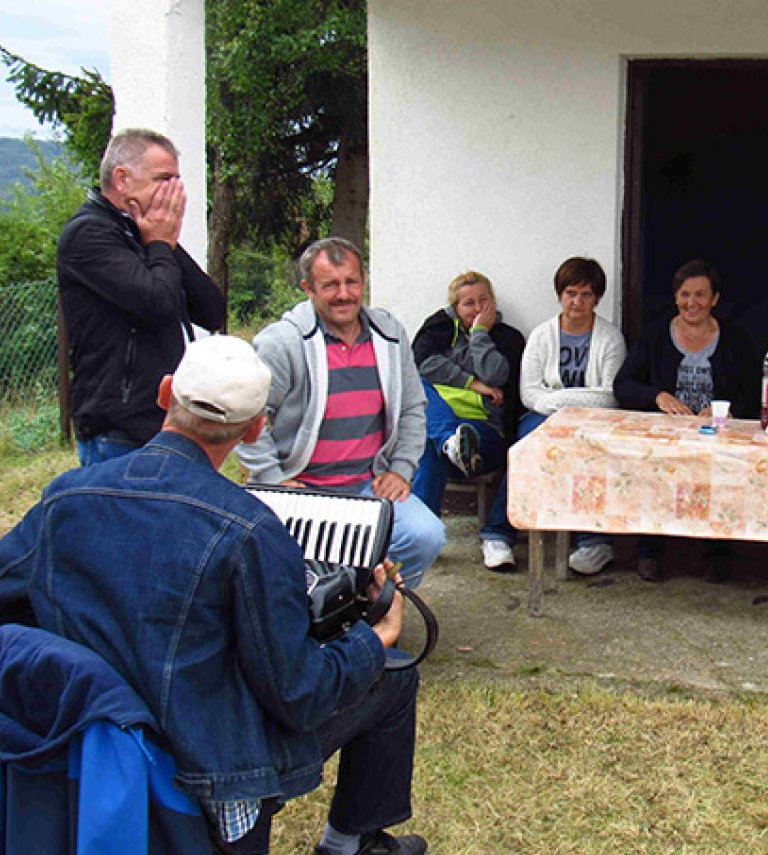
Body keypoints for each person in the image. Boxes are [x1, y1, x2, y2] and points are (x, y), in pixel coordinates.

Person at [0, 335, 427, 855]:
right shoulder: (252, 531)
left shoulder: (67, 496)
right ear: (256, 427)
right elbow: (300, 692)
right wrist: (374, 639)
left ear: (165, 393)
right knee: (392, 675)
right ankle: (350, 849)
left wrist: (88, 638)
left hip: (88, 737)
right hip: (204, 769)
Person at [237, 237, 445, 590]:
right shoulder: (282, 343)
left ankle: (370, 611)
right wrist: (272, 478)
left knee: (425, 536)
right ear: (308, 288)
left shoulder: (389, 334)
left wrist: (401, 469)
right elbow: (246, 415)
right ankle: (327, 617)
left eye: (351, 282)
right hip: (305, 489)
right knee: (297, 573)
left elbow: (413, 407)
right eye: (330, 285)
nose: (344, 294)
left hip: (369, 486)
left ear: (363, 281)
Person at [57, 128, 227, 465]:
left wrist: (163, 243)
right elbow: (159, 304)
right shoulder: (89, 234)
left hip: (165, 422)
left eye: (178, 180)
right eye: (164, 179)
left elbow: (211, 311)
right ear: (122, 180)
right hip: (118, 429)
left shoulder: (143, 232)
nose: (175, 192)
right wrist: (160, 243)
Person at [614, 259, 759, 582]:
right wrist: (657, 397)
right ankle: (649, 550)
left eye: (700, 295)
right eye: (684, 295)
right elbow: (623, 385)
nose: (691, 303)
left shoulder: (735, 339)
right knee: (654, 465)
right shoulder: (655, 335)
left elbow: (755, 392)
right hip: (667, 434)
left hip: (715, 434)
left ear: (715, 299)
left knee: (722, 467)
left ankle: (717, 551)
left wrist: (726, 409)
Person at [518, 257, 627, 575]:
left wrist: (559, 399)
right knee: (528, 445)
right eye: (570, 293)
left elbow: (609, 396)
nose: (577, 302)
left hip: (594, 420)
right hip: (544, 416)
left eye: (586, 295)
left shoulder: (610, 338)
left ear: (597, 298)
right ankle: (500, 532)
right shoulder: (541, 336)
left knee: (591, 453)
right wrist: (559, 407)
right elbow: (529, 393)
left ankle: (595, 541)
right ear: (559, 294)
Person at [410, 271, 525, 571]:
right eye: (468, 304)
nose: (476, 309)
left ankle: (424, 537)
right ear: (454, 309)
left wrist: (479, 334)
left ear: (493, 302)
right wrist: (474, 384)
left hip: (484, 433)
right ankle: (450, 441)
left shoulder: (508, 338)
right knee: (420, 390)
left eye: (483, 301)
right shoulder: (438, 331)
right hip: (445, 425)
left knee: (431, 443)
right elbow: (421, 362)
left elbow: (497, 373)